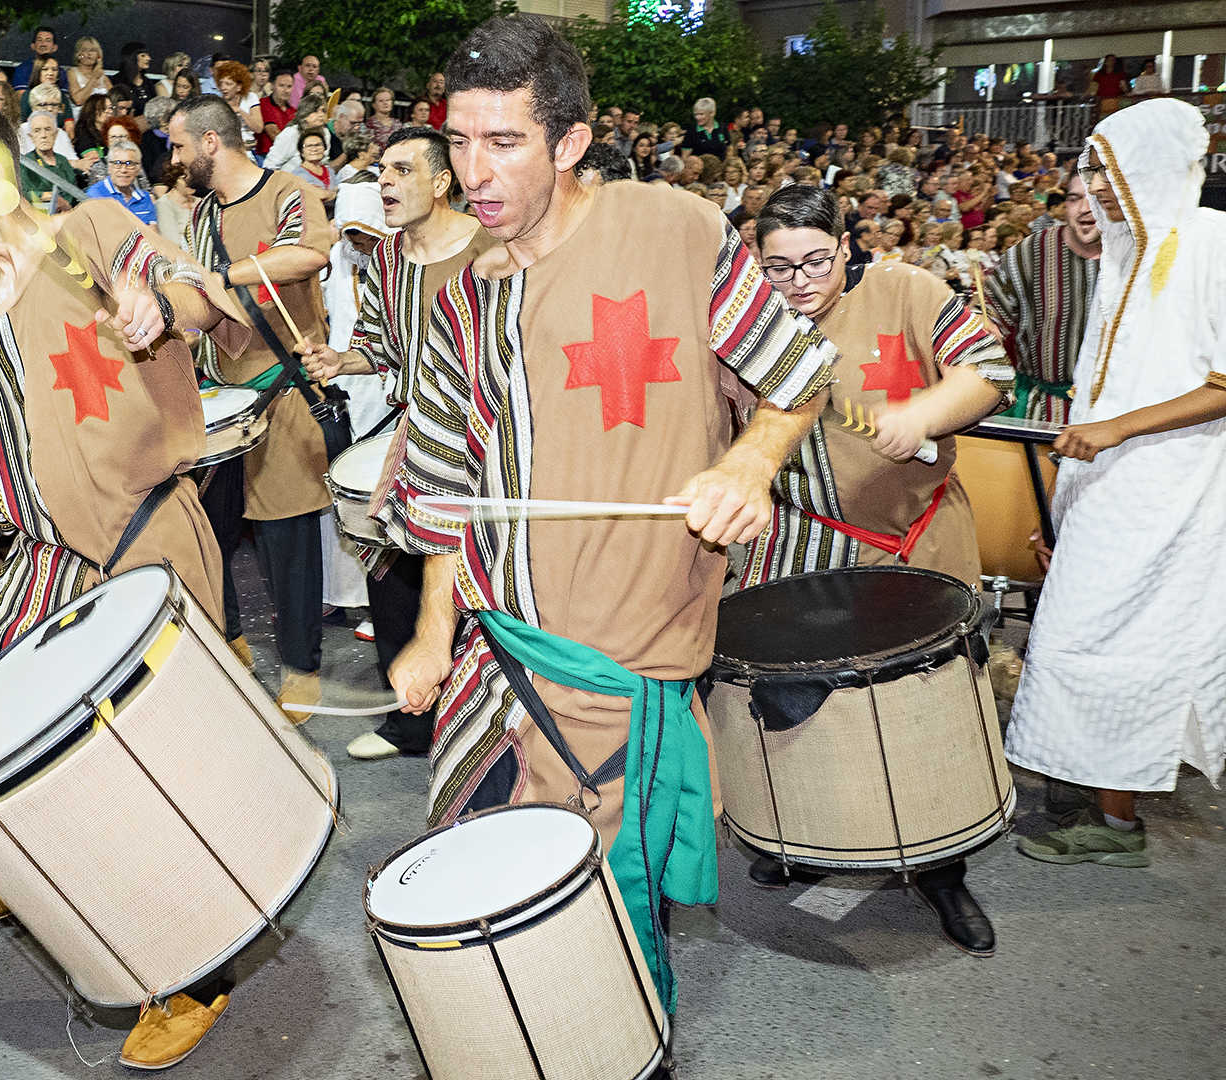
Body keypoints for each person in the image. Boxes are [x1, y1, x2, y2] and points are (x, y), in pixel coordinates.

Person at [378, 14, 839, 1015]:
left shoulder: (674, 230)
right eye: (459, 142)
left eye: (504, 142)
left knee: (599, 936)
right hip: (498, 662)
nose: (475, 171)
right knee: (498, 916)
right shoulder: (459, 303)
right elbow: (456, 494)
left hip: (624, 661)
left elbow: (798, 381)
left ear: (572, 142)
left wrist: (751, 465)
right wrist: (427, 632)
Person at [0, 97, 249, 1069]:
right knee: (6, 745)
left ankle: (195, 977)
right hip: (44, 561)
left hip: (148, 534)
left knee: (162, 771)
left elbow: (192, 294)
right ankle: (49, 876)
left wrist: (160, 306)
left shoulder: (88, 231)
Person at [738, 183, 1013, 955]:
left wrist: (923, 413)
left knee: (927, 718)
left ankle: (942, 869)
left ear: (847, 246)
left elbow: (987, 369)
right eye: (779, 266)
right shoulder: (751, 327)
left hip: (915, 548)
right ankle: (806, 835)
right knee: (800, 711)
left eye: (817, 260)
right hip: (801, 546)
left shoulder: (906, 291)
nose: (800, 281)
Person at [1006, 100, 1226, 866]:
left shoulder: (1211, 243)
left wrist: (1117, 432)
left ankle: (1117, 823)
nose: (1092, 184)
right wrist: (1068, 502)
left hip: (1169, 496)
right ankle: (1099, 790)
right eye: (1090, 168)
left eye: (1103, 167)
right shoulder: (1128, 252)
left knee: (1120, 646)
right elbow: (1102, 392)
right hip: (1108, 489)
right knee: (1083, 639)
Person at [299, 127, 491, 762]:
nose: (383, 182)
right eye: (381, 170)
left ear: (442, 182)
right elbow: (380, 348)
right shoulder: (381, 260)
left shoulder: (490, 250)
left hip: (487, 440)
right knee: (394, 574)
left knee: (479, 581)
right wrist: (339, 360)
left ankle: (483, 717)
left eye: (401, 170)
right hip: (413, 435)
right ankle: (409, 725)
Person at [171, 93, 334, 719]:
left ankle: (302, 670)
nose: (176, 158)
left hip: (283, 390)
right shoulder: (200, 214)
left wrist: (225, 273)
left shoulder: (286, 190)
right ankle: (230, 645)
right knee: (207, 533)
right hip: (218, 401)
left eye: (182, 146)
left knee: (286, 539)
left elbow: (309, 254)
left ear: (212, 142)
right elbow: (196, 298)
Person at [981, 173, 1101, 425]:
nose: (1084, 209)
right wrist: (983, 323)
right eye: (1074, 198)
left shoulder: (1138, 253)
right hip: (1043, 410)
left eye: (1097, 198)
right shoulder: (1030, 252)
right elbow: (990, 308)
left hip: (1116, 411)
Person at [84, 138, 156, 224]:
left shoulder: (144, 197)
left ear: (138, 169)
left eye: (130, 164)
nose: (123, 170)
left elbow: (151, 233)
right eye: (117, 163)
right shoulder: (95, 195)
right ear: (109, 167)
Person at [18, 110, 77, 212]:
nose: (43, 135)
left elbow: (74, 193)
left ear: (55, 134)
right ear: (31, 137)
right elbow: (23, 193)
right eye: (37, 130)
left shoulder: (63, 161)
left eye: (48, 129)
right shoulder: (26, 163)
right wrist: (47, 195)